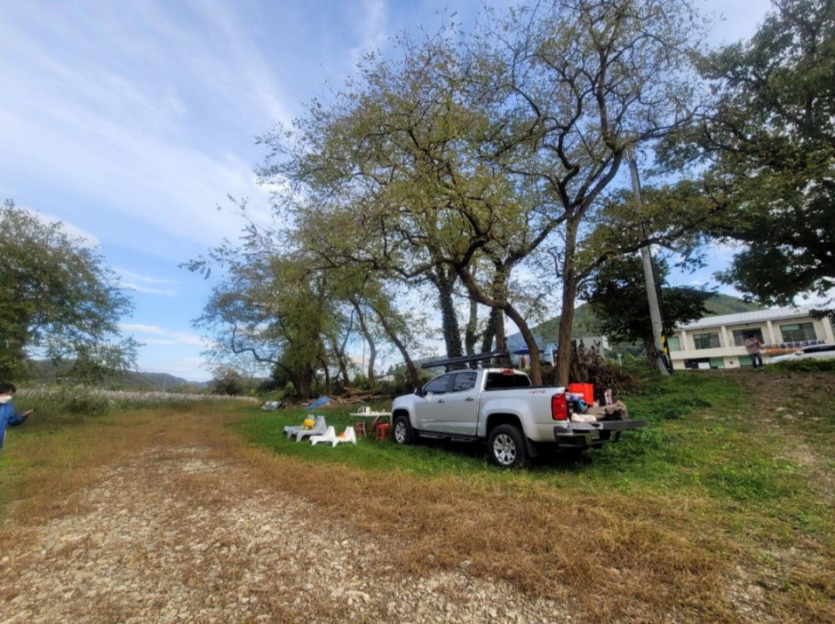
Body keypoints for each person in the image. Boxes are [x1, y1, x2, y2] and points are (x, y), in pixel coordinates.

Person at [0, 382, 34, 450]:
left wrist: (23, 416)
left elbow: (12, 421)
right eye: (8, 394)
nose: (9, 396)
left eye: (10, 394)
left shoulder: (8, 408)